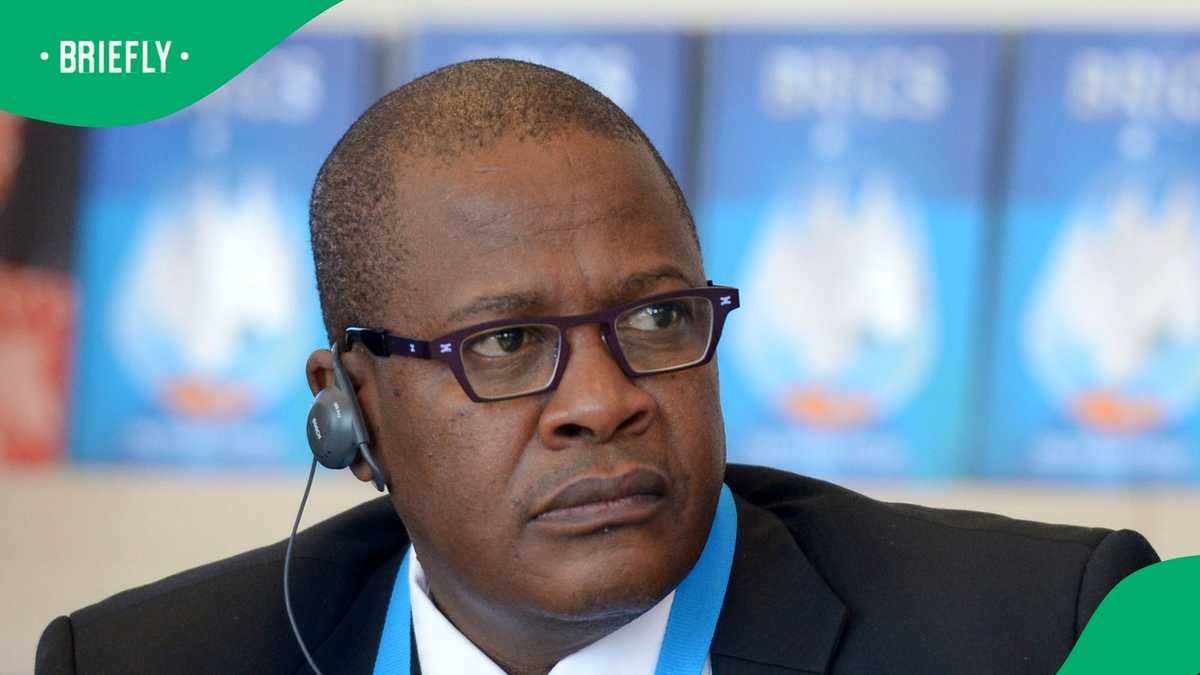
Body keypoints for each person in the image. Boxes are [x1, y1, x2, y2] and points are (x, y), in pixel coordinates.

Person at [36, 59, 1158, 675]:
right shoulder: (136, 663)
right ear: (353, 415)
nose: (604, 401)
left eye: (658, 318)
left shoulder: (1040, 634)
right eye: (506, 344)